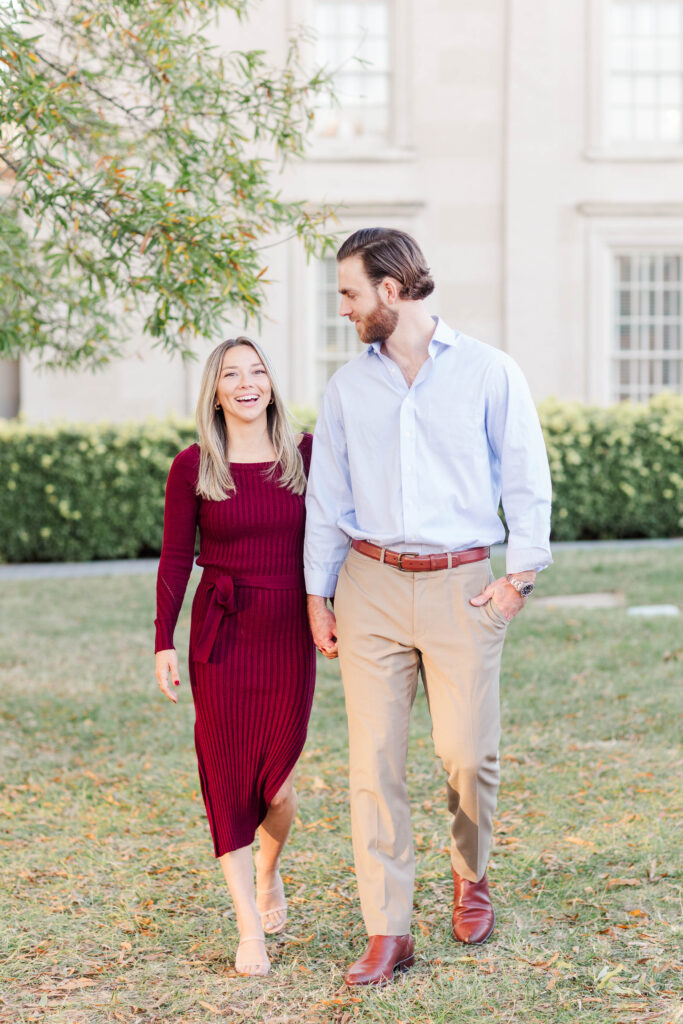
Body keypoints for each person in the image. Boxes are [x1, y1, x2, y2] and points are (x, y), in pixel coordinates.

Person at [304, 228, 552, 987]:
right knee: (372, 765)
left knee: (466, 754)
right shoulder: (348, 387)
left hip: (461, 585)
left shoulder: (486, 370)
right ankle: (389, 930)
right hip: (370, 585)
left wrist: (517, 579)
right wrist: (319, 594)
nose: (340, 308)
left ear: (388, 289)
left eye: (348, 292)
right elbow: (328, 500)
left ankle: (468, 872)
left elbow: (524, 476)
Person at [154, 337, 315, 978]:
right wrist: (163, 640)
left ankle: (269, 871)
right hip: (220, 637)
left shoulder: (305, 456)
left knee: (276, 786)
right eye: (232, 374)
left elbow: (333, 537)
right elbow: (172, 558)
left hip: (287, 637)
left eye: (257, 371)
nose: (247, 383)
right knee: (226, 778)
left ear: (271, 382)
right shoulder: (192, 465)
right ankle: (249, 926)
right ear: (215, 391)